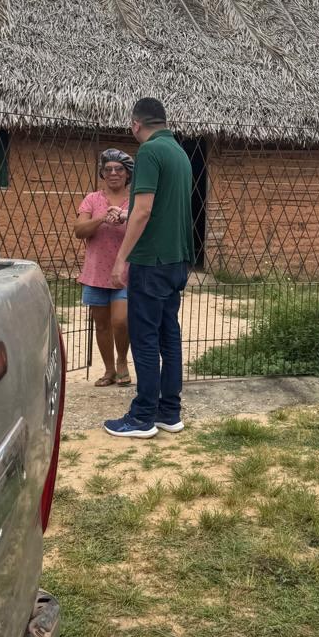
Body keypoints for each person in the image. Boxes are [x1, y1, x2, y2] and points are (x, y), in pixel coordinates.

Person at [104, 97, 193, 438]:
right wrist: (126, 213)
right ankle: (169, 412)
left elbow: (143, 210)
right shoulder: (180, 154)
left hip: (151, 261)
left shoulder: (149, 154)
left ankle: (141, 417)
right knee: (169, 335)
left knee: (144, 338)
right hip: (177, 260)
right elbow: (161, 207)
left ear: (136, 125)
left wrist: (121, 258)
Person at [74, 148, 135, 387]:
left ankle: (122, 361)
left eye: (119, 169)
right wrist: (102, 218)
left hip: (124, 272)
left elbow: (143, 227)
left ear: (127, 174)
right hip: (95, 271)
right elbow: (79, 231)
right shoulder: (92, 200)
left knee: (120, 320)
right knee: (100, 324)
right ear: (102, 172)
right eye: (108, 169)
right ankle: (109, 370)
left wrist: (122, 216)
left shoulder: (135, 201)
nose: (113, 173)